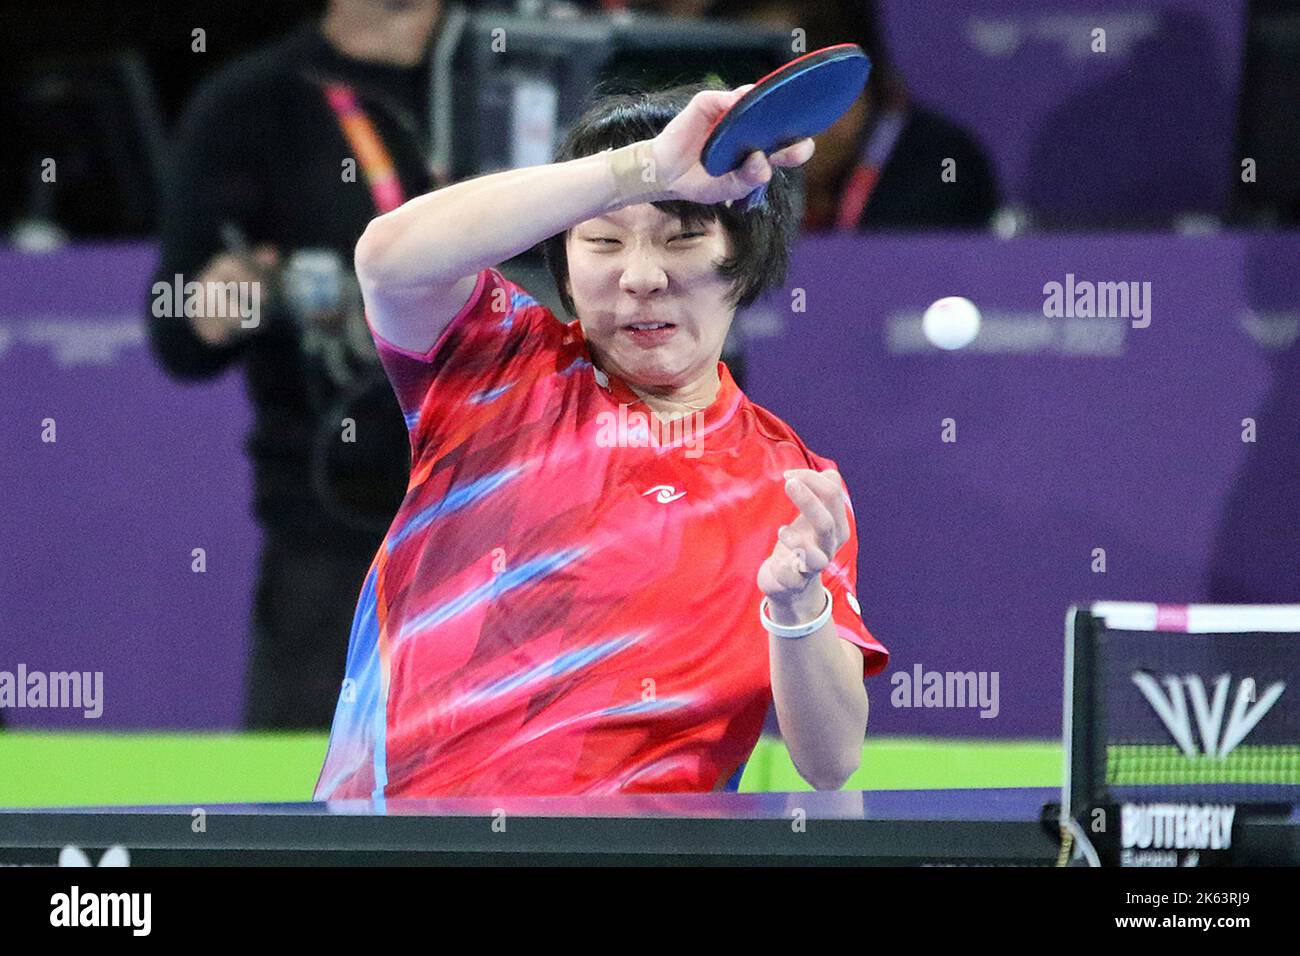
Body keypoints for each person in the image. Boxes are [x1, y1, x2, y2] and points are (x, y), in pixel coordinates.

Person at [314, 78, 889, 799]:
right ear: (564, 260)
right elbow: (387, 255)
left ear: (745, 263)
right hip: (409, 846)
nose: (642, 277)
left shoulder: (791, 486)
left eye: (682, 237)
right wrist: (639, 168)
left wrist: (799, 606)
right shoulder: (492, 364)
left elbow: (831, 760)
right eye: (605, 240)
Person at [146, 0, 446, 730]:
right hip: (336, 516)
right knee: (306, 820)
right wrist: (221, 300)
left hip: (531, 512)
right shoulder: (256, 101)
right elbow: (177, 332)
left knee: (531, 813)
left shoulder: (529, 66)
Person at [709, 0, 1001, 231]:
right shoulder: (714, 182)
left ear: (848, 97)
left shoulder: (940, 165)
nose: (748, 123)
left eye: (773, 97)